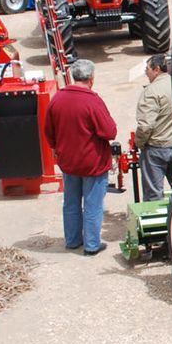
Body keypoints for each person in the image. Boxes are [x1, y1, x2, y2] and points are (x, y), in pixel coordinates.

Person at [43, 58, 118, 256]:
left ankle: (72, 240)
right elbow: (109, 131)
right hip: (92, 163)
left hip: (68, 162)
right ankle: (92, 245)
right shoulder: (92, 101)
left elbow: (49, 131)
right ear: (91, 78)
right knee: (93, 204)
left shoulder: (57, 99)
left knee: (71, 202)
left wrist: (58, 148)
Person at [134, 54, 172, 200]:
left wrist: (139, 143)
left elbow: (146, 126)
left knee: (154, 195)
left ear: (157, 69)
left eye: (147, 69)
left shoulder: (151, 91)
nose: (146, 73)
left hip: (156, 149)